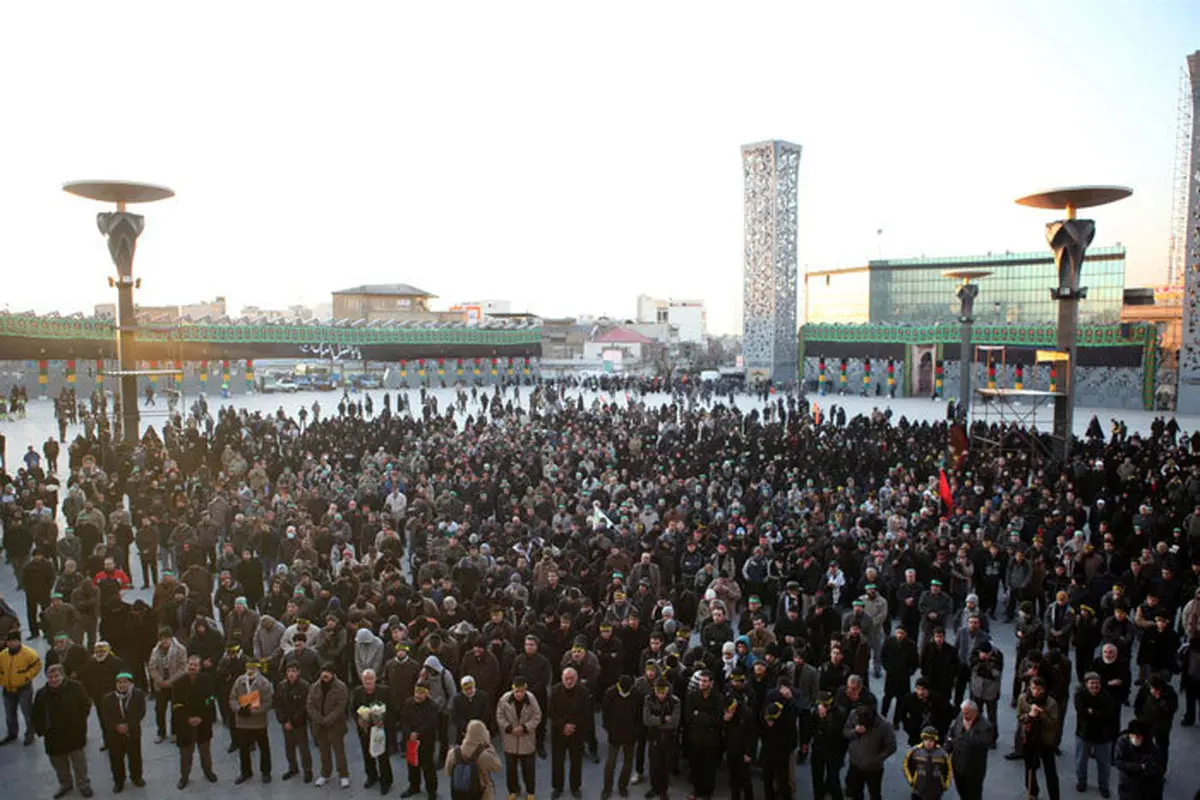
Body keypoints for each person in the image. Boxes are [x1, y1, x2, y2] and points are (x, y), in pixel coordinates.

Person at [33, 663, 94, 798]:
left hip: (73, 732)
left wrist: (80, 722)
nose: (53, 680)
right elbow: (36, 714)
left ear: (63, 676)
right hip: (53, 736)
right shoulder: (41, 694)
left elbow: (86, 704)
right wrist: (41, 730)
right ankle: (65, 784)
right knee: (59, 764)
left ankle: (83, 784)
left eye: (56, 676)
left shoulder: (75, 687)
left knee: (79, 762)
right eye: (50, 677)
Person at [172, 654, 219, 789]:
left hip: (203, 722)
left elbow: (210, 700)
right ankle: (184, 777)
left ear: (200, 667)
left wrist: (201, 718)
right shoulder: (178, 682)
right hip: (185, 724)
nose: (192, 667)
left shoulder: (208, 680)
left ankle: (208, 772)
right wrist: (188, 719)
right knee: (186, 754)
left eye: (195, 665)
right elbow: (176, 704)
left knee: (205, 751)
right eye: (190, 664)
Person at [496, 675, 541, 800]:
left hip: (527, 740)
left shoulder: (531, 699)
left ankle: (530, 791)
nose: (519, 694)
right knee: (511, 770)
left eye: (522, 691)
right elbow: (499, 716)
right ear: (513, 690)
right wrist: (509, 728)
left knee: (529, 769)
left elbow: (537, 716)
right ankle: (513, 790)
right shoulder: (504, 699)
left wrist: (525, 728)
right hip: (510, 740)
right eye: (517, 691)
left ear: (525, 690)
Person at [307, 661, 351, 789]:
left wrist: (327, 719)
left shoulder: (341, 687)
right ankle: (325, 774)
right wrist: (319, 719)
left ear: (333, 674)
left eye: (328, 672)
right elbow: (309, 705)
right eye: (323, 672)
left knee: (339, 752)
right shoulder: (314, 687)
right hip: (320, 726)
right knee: (323, 751)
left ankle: (343, 775)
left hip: (335, 725)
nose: (325, 675)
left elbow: (341, 706)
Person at [101, 671, 147, 792]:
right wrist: (116, 726)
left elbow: (140, 713)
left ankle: (137, 777)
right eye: (119, 682)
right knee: (116, 759)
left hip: (133, 732)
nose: (122, 685)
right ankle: (119, 781)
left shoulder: (138, 695)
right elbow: (105, 717)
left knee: (135, 757)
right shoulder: (107, 698)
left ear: (131, 683)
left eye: (125, 682)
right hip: (114, 734)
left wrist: (128, 726)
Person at [1074, 672, 1118, 797]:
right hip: (1084, 734)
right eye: (1091, 683)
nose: (1094, 686)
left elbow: (1109, 716)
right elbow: (1082, 713)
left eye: (1097, 683)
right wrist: (1098, 714)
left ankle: (1104, 786)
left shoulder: (1107, 697)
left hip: (1103, 736)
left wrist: (1092, 713)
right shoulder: (1079, 695)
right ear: (1086, 684)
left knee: (1104, 764)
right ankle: (1081, 781)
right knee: (1081, 761)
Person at [229, 659, 273, 783]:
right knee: (243, 749)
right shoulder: (239, 681)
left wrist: (251, 712)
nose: (250, 670)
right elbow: (232, 698)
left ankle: (266, 772)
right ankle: (245, 772)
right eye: (248, 667)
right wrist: (238, 709)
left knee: (263, 748)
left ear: (258, 668)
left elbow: (267, 703)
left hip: (258, 722)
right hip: (242, 721)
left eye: (253, 667)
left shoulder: (264, 683)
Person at [1017, 677, 1060, 800]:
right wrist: (1029, 715)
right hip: (1029, 738)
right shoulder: (1023, 698)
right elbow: (1020, 716)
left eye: (1039, 689)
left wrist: (1041, 714)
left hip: (1045, 741)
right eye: (1034, 688)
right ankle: (1032, 792)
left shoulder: (1051, 703)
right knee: (1029, 768)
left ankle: (1054, 796)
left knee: (1050, 771)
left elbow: (1053, 723)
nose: (1036, 691)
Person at [353, 667, 395, 794]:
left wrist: (384, 721)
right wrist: (359, 720)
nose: (368, 681)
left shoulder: (385, 691)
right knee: (367, 755)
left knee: (382, 756)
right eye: (365, 679)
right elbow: (353, 709)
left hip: (380, 730)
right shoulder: (357, 692)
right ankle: (371, 776)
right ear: (361, 680)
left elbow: (392, 710)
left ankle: (386, 781)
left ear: (375, 679)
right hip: (365, 730)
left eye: (370, 678)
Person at [843, 703, 896, 800]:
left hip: (873, 768)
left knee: (875, 793)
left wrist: (877, 759)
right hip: (855, 764)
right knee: (856, 792)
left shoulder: (884, 726)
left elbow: (891, 746)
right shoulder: (853, 715)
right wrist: (855, 731)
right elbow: (845, 732)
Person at [944, 700, 993, 800]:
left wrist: (969, 730)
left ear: (975, 712)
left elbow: (982, 744)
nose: (964, 715)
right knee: (961, 790)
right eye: (963, 712)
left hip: (974, 769)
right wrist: (947, 748)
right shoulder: (961, 716)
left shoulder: (985, 726)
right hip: (958, 764)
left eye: (967, 713)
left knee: (973, 794)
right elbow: (952, 732)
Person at [400, 681, 441, 799]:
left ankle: (432, 791)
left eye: (421, 693)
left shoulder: (433, 706)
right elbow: (403, 720)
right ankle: (414, 786)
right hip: (411, 740)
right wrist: (410, 733)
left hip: (426, 741)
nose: (418, 695)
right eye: (416, 692)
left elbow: (431, 723)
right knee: (412, 764)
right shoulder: (408, 703)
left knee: (428, 767)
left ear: (427, 694)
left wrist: (417, 733)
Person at [0, 627, 41, 745]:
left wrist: (27, 676)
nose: (11, 643)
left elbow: (37, 665)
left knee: (27, 712)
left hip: (24, 688)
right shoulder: (2, 655)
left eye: (14, 641)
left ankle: (30, 734)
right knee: (9, 714)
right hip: (8, 688)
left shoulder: (29, 654)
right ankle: (12, 733)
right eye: (9, 641)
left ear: (19, 641)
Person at [641, 677, 680, 800]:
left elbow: (674, 722)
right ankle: (654, 788)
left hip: (669, 737)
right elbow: (646, 719)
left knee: (665, 765)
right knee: (654, 764)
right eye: (658, 692)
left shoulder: (675, 701)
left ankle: (663, 790)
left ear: (668, 689)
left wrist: (656, 719)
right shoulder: (648, 699)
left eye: (663, 692)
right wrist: (663, 719)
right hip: (654, 736)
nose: (660, 695)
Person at [601, 674, 638, 799]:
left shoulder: (636, 694)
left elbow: (639, 714)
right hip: (615, 734)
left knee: (628, 762)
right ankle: (607, 788)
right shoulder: (610, 693)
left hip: (630, 734)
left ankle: (622, 786)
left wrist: (636, 731)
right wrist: (609, 729)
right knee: (611, 762)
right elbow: (605, 714)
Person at [275, 660, 314, 783]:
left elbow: (305, 706)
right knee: (289, 748)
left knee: (303, 748)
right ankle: (293, 768)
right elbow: (278, 704)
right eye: (289, 671)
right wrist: (283, 720)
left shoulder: (304, 686)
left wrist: (292, 721)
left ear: (298, 672)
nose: (291, 674)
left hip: (299, 723)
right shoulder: (281, 686)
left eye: (293, 671)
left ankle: (307, 770)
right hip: (286, 723)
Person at [444, 719, 502, 800]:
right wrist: (489, 746)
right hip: (482, 794)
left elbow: (448, 772)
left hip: (460, 793)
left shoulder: (453, 752)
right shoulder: (485, 755)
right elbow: (497, 767)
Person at [147, 625, 187, 742]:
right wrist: (159, 680)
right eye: (162, 639)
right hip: (160, 684)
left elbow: (182, 668)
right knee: (159, 709)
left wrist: (170, 681)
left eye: (166, 638)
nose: (164, 641)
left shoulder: (180, 649)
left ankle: (175, 732)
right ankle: (161, 732)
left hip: (175, 683)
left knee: (176, 709)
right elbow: (151, 667)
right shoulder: (155, 650)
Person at [805, 689, 847, 800]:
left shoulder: (840, 713)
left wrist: (823, 719)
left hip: (833, 750)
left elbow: (834, 732)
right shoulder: (814, 711)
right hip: (818, 748)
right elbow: (809, 728)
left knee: (833, 779)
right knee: (817, 778)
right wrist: (805, 743)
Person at [1112, 720, 1163, 800]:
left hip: (1143, 787)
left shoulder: (1151, 748)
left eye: (1138, 737)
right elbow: (1118, 762)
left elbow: (1154, 771)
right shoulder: (1122, 742)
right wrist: (1139, 767)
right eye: (1133, 736)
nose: (1135, 739)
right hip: (1127, 784)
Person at [901, 726, 952, 800]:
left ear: (935, 741)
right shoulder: (915, 751)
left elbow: (949, 769)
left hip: (936, 791)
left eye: (931, 740)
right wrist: (911, 781)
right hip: (918, 790)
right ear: (923, 740)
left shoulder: (942, 754)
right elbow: (905, 765)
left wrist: (945, 785)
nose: (928, 742)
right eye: (926, 740)